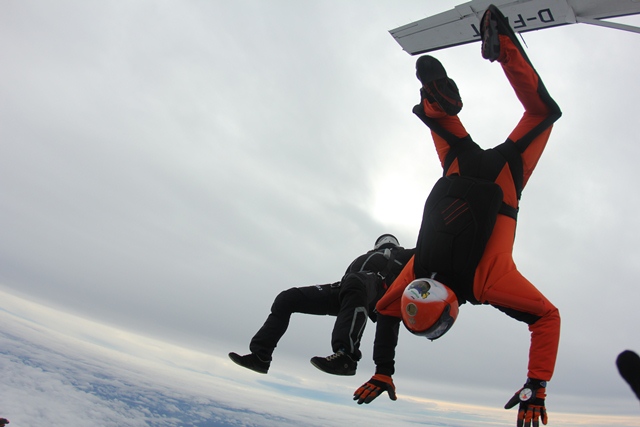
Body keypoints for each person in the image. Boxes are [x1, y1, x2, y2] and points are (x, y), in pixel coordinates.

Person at [353, 5, 562, 427]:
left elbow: (547, 318)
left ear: (451, 308)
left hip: (504, 179)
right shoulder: (415, 272)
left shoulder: (488, 285)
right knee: (443, 123)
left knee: (543, 114)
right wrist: (382, 369)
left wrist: (536, 384)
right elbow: (386, 313)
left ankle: (503, 45)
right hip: (457, 168)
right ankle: (433, 102)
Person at [229, 234, 414, 376]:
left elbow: (427, 253)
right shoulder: (368, 258)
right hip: (346, 289)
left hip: (372, 288)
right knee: (288, 298)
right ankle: (260, 356)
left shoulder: (403, 255)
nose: (386, 241)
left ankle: (346, 357)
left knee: (355, 282)